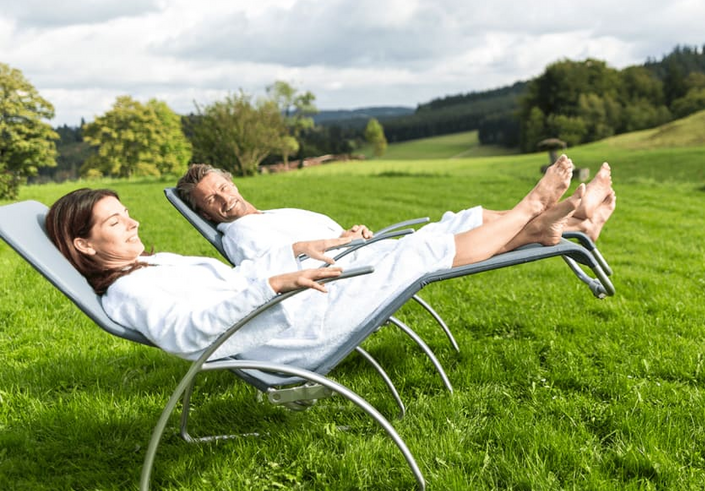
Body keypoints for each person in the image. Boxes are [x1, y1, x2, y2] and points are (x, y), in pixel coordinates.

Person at [45, 158, 611, 370]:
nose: (134, 224)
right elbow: (193, 336)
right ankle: (537, 213)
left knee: (416, 243)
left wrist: (296, 252)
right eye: (116, 223)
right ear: (86, 247)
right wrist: (274, 282)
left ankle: (547, 223)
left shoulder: (151, 265)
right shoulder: (130, 294)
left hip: (291, 307)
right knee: (414, 251)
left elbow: (237, 281)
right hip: (289, 337)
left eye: (127, 213)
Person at [175, 161, 616, 268]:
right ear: (207, 215)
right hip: (351, 277)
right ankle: (536, 209)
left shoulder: (269, 213)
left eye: (223, 188)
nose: (223, 200)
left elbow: (319, 237)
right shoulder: (239, 236)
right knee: (435, 243)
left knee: (461, 219)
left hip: (359, 255)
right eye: (210, 202)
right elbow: (274, 264)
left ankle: (574, 224)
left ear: (232, 181)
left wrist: (347, 233)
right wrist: (340, 243)